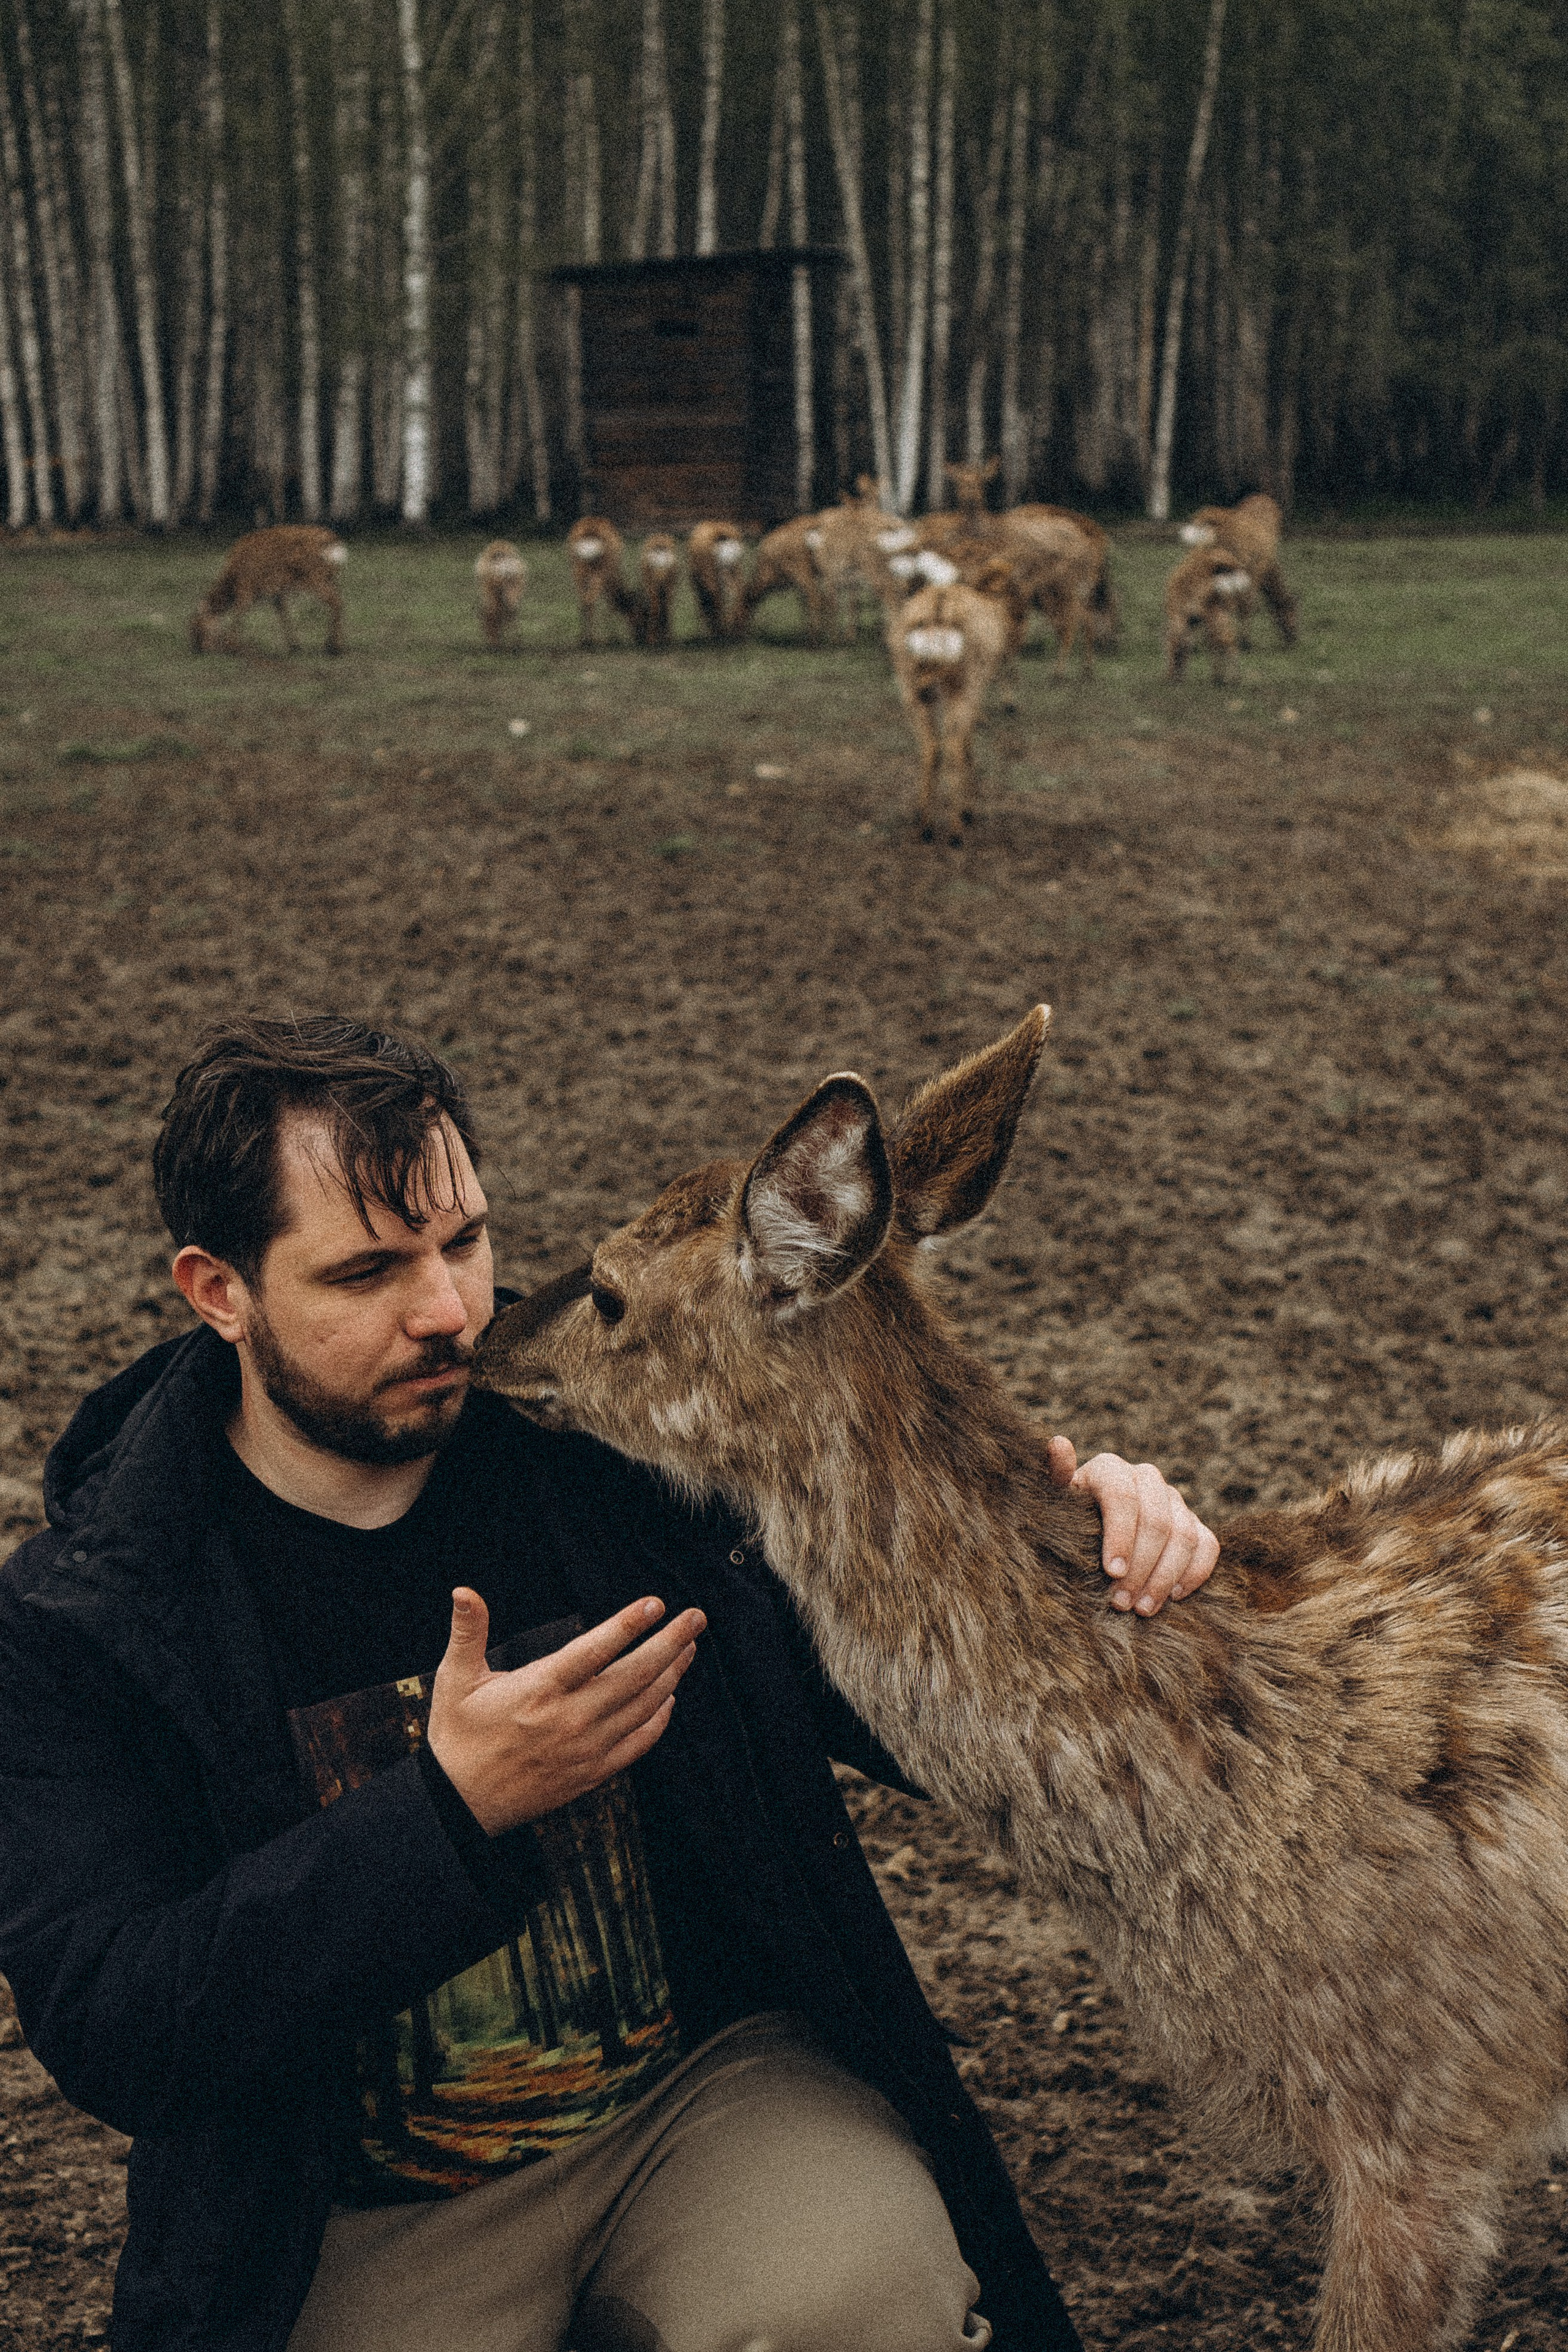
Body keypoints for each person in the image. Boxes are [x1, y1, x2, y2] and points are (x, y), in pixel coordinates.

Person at [0, 1017, 1219, 2352]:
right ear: (217, 1291)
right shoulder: (94, 1616)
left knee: (864, 2308)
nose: (452, 1312)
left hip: (696, 2103)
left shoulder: (614, 1465)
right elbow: (118, 2022)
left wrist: (1073, 1553)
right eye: (365, 1273)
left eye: (461, 1242)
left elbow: (904, 1701)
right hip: (352, 2203)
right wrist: (446, 1815)